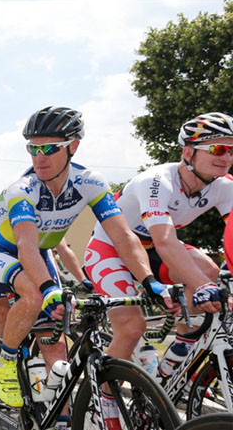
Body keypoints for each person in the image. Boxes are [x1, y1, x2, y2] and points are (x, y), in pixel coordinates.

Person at [0, 106, 170, 430]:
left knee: (58, 349)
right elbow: (28, 248)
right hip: (0, 251)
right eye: (33, 149)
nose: (39, 157)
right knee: (34, 298)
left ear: (73, 147)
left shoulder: (91, 182)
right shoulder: (24, 188)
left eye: (49, 149)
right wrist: (50, 288)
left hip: (37, 255)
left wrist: (149, 281)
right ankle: (4, 362)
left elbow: (122, 234)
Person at [84, 112, 231, 381]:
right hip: (112, 248)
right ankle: (107, 407)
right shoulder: (156, 181)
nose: (227, 157)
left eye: (232, 150)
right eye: (218, 148)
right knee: (131, 328)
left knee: (207, 271)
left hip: (153, 250)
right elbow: (165, 239)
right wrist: (204, 287)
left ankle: (170, 369)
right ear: (188, 152)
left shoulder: (224, 186)